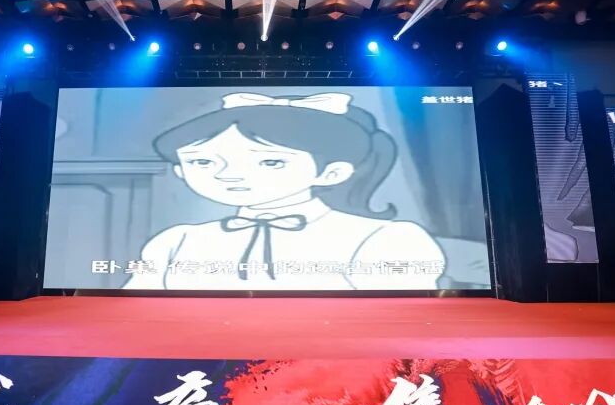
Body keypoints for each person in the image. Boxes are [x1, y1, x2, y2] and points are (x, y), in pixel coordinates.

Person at [123, 92, 445, 291]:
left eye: (271, 161)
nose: (228, 174)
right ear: (180, 171)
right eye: (203, 161)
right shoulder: (176, 241)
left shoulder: (386, 239)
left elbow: (400, 322)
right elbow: (134, 311)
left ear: (332, 172)